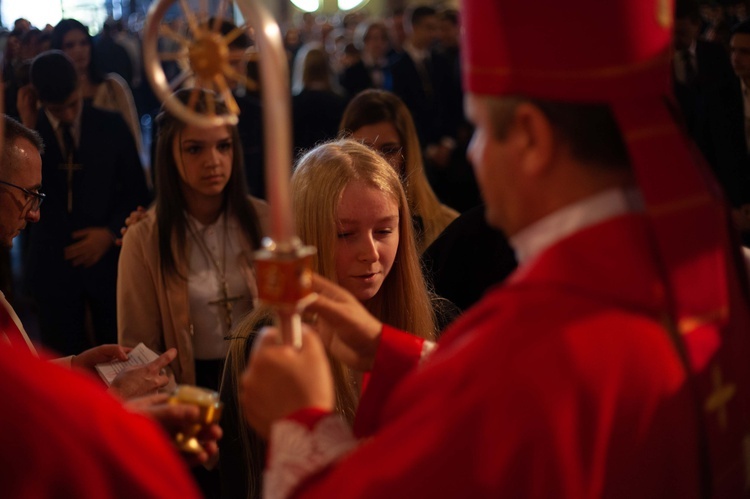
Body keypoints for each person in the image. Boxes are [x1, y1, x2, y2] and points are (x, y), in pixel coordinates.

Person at [239, 0, 750, 497]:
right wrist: (387, 353)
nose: (473, 154)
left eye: (481, 127)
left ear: (530, 137)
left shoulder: (533, 341)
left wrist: (300, 422)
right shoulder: (698, 261)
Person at [221, 139, 440, 499]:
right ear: (308, 236)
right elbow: (246, 482)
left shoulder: (438, 321)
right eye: (345, 235)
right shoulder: (264, 347)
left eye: (384, 231)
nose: (370, 254)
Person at [118, 88, 269, 392]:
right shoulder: (144, 237)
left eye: (223, 146)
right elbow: (139, 349)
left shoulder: (264, 220)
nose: (213, 161)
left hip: (261, 380)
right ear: (170, 153)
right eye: (194, 149)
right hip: (188, 388)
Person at [21, 50, 149, 356]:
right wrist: (28, 129)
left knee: (118, 350)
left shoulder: (111, 125)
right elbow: (20, 197)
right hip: (52, 263)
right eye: (57, 109)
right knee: (60, 357)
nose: (66, 115)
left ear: (80, 85)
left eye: (72, 105)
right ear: (38, 98)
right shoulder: (27, 133)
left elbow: (138, 192)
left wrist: (109, 233)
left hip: (106, 259)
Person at [339, 89, 458, 252]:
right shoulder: (330, 227)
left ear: (408, 153)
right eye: (364, 151)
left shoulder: (448, 227)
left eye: (389, 150)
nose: (377, 162)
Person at [51, 19, 142, 156]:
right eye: (69, 45)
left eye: (84, 43)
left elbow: (133, 135)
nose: (79, 50)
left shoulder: (113, 86)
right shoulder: (52, 93)